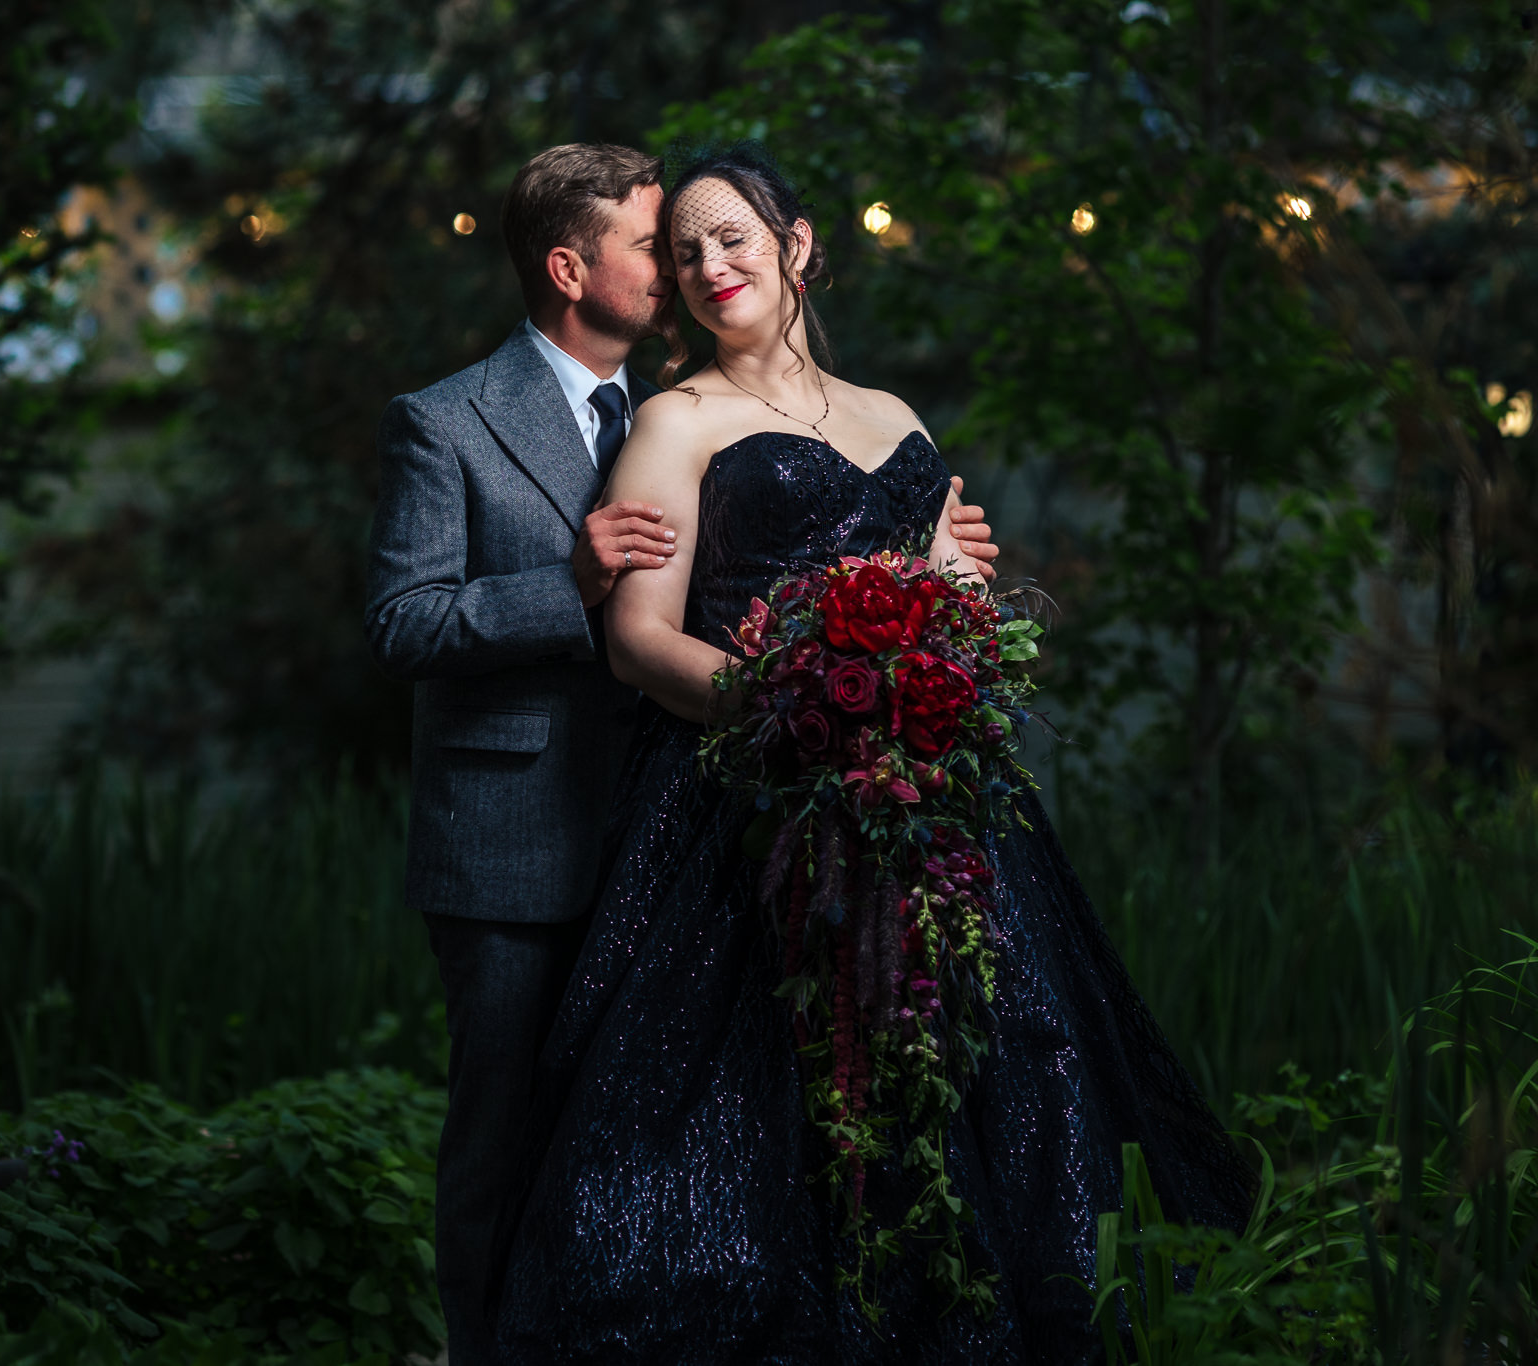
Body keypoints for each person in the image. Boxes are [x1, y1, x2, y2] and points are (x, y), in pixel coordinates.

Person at [488, 144, 1252, 1364]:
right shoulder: (675, 421)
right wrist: (803, 718)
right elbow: (636, 643)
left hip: (925, 795)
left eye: (732, 237)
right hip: (749, 798)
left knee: (984, 1054)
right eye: (682, 249)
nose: (706, 264)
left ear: (797, 247)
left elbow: (945, 601)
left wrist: (946, 614)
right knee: (763, 1093)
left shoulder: (894, 420)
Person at [364, 143, 1000, 1365]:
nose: (679, 267)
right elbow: (402, 622)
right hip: (519, 839)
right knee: (505, 1135)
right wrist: (566, 586)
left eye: (699, 243)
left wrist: (920, 565)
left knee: (652, 1133)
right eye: (652, 248)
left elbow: (769, 551)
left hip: (683, 824)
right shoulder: (446, 420)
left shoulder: (688, 400)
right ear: (569, 267)